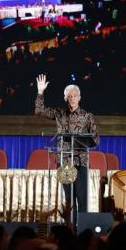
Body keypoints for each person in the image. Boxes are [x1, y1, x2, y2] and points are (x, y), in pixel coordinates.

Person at [34, 74, 99, 222]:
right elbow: (39, 110)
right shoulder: (59, 114)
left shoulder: (87, 116)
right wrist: (40, 92)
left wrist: (82, 140)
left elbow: (95, 140)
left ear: (80, 98)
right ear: (65, 98)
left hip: (81, 161)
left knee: (82, 199)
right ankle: (69, 229)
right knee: (69, 200)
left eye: (75, 96)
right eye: (69, 96)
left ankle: (83, 228)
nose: (72, 98)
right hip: (64, 162)